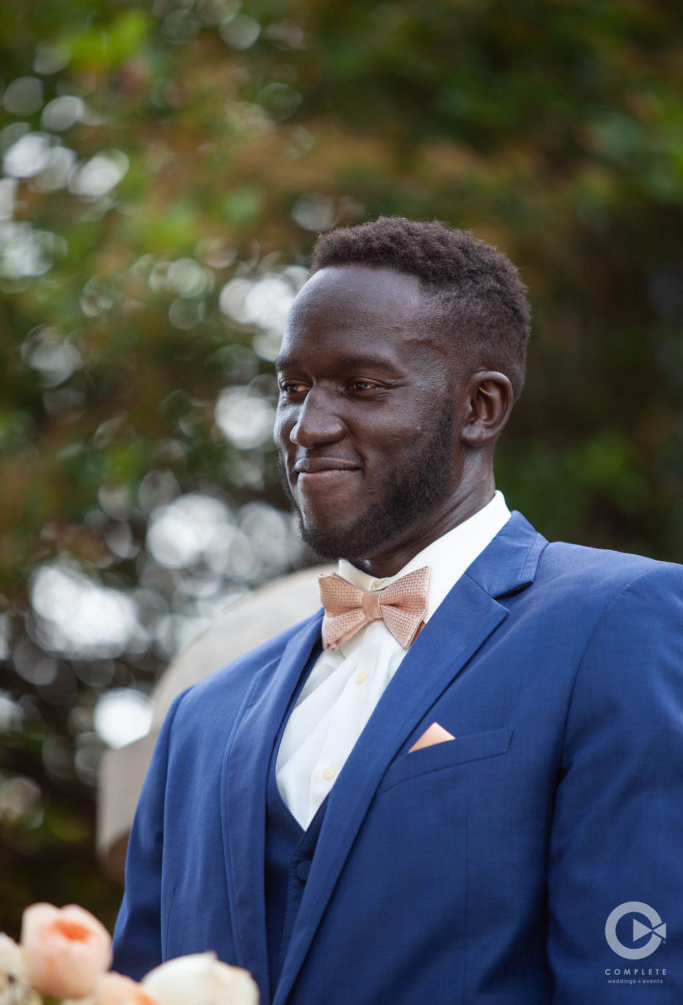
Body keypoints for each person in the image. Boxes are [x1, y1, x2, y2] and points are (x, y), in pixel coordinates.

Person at [113, 217, 683, 1004]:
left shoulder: (616, 619)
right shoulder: (200, 721)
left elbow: (637, 977)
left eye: (361, 386)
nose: (305, 427)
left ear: (479, 408)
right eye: (292, 388)